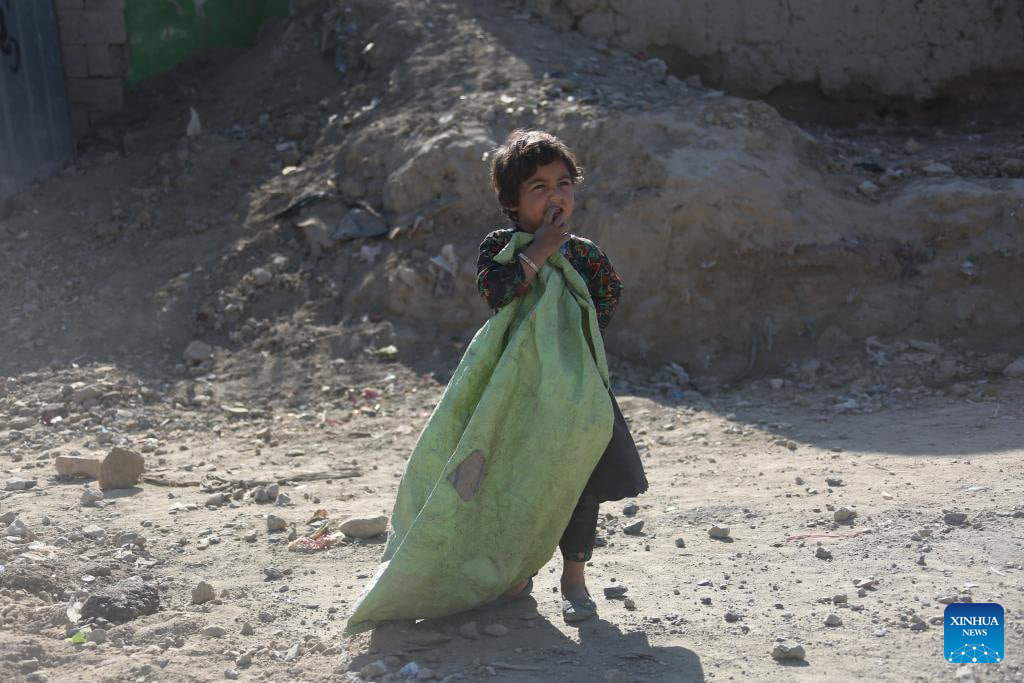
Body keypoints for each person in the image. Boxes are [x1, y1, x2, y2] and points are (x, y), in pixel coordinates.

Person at [476, 129, 649, 623]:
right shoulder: (500, 247)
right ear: (511, 201)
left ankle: (574, 579)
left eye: (564, 184)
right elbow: (496, 293)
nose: (556, 196)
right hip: (520, 390)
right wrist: (540, 250)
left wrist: (571, 336)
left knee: (580, 482)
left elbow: (608, 294)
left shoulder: (585, 254)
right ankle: (519, 573)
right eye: (539, 187)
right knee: (518, 480)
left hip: (573, 387)